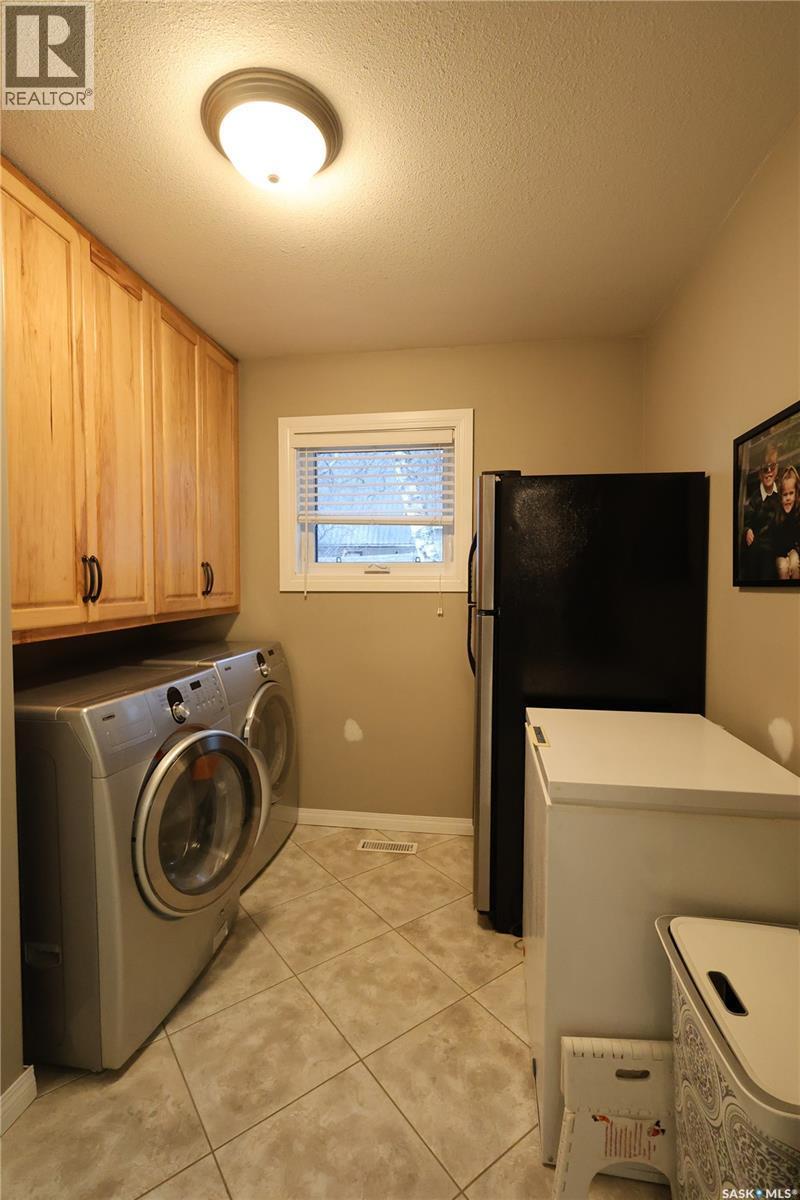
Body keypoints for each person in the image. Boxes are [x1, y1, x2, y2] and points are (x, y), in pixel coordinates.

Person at [741, 442, 780, 580]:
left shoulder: (782, 493)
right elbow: (747, 520)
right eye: (765, 469)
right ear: (759, 473)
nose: (769, 472)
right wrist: (747, 530)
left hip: (777, 544)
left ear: (777, 469)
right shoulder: (755, 498)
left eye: (772, 467)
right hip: (760, 545)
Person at [772, 464, 800, 580]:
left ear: (797, 494)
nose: (788, 498)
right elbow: (775, 544)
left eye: (791, 493)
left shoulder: (798, 513)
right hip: (780, 554)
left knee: (794, 562)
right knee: (783, 567)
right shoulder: (777, 515)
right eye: (785, 494)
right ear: (781, 496)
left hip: (794, 552)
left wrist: (793, 552)